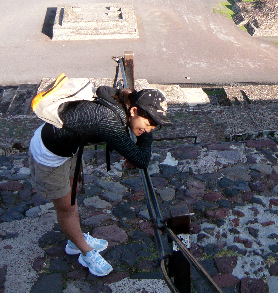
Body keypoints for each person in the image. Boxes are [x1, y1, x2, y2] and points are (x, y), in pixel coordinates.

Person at [28, 86, 171, 277]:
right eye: (150, 121)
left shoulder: (120, 105)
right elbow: (141, 160)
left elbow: (137, 150)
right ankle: (85, 252)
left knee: (73, 194)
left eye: (156, 124)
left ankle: (74, 239)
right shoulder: (109, 119)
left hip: (68, 148)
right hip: (49, 154)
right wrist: (142, 140)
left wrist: (143, 132)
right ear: (134, 110)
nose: (150, 129)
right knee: (67, 208)